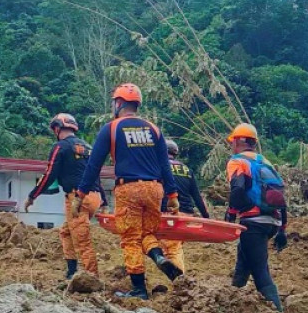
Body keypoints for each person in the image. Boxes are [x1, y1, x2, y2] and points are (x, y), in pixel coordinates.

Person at [76, 83, 181, 299]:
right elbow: (165, 165)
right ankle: (158, 256)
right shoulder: (154, 129)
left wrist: (81, 194)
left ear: (119, 103)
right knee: (147, 233)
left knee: (130, 238)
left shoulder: (112, 128)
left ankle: (139, 290)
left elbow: (93, 165)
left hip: (129, 188)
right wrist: (173, 196)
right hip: (154, 188)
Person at [25, 113, 106, 278]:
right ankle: (71, 271)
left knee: (82, 240)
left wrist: (32, 196)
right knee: (66, 232)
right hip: (95, 197)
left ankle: (92, 277)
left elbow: (49, 174)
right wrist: (103, 199)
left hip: (77, 199)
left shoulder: (60, 147)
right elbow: (95, 174)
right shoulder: (88, 147)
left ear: (57, 128)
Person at [224, 123, 288, 311]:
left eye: (232, 141)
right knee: (244, 264)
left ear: (238, 141)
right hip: (272, 221)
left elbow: (237, 189)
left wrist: (231, 214)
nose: (231, 145)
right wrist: (283, 228)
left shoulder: (237, 161)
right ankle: (230, 306)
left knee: (260, 271)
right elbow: (280, 194)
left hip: (253, 222)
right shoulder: (265, 162)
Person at [160, 139, 209, 272]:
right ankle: (176, 278)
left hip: (169, 213)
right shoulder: (187, 170)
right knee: (174, 246)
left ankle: (180, 280)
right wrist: (206, 217)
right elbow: (197, 196)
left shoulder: (159, 167)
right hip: (186, 215)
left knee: (171, 249)